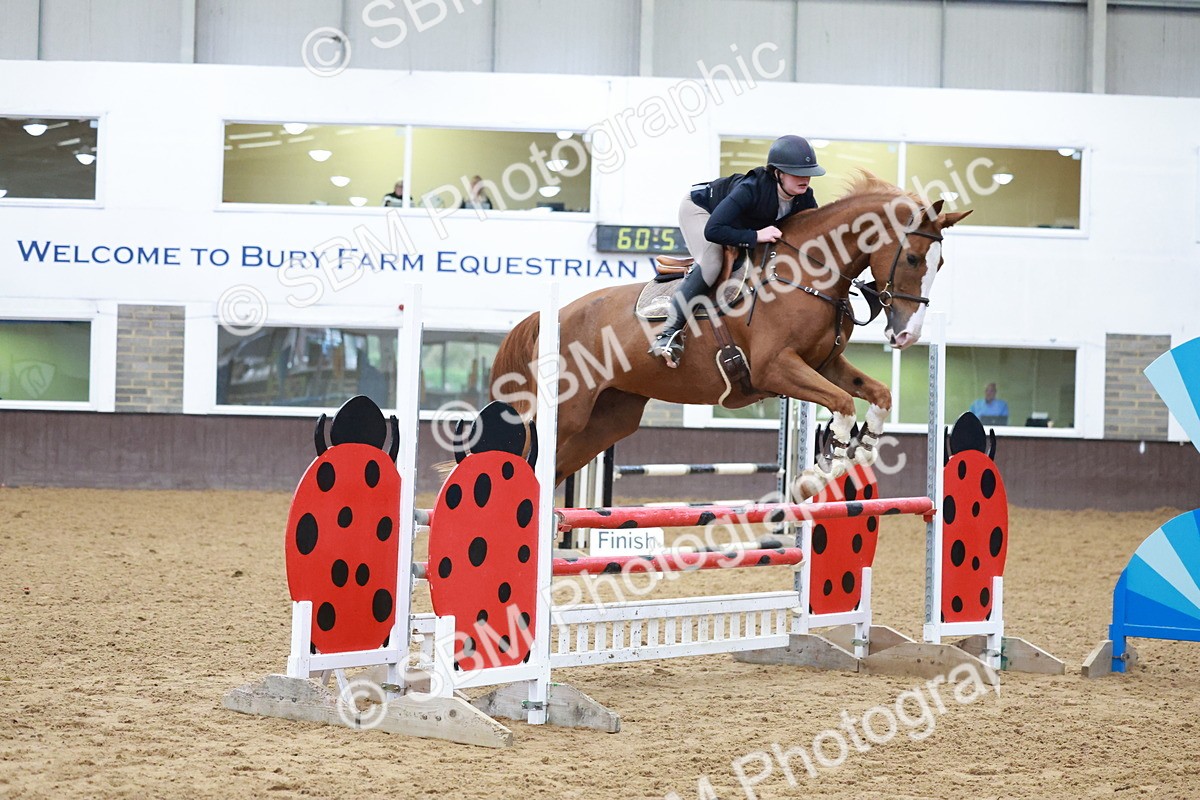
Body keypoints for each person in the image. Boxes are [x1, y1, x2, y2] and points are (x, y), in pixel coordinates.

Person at [649, 135, 825, 367]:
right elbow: (714, 230)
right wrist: (754, 236)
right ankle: (668, 333)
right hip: (701, 210)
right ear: (777, 173)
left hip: (734, 224)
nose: (805, 179)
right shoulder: (751, 189)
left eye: (808, 172)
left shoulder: (805, 199)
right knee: (712, 261)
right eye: (796, 172)